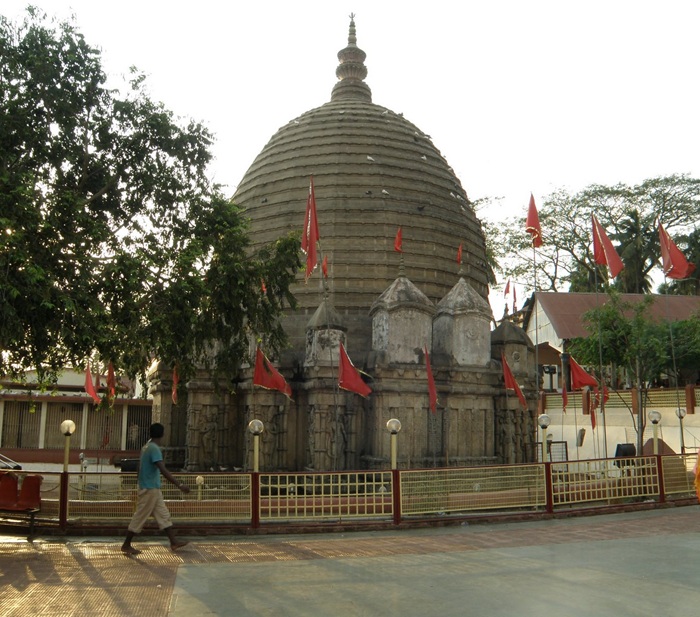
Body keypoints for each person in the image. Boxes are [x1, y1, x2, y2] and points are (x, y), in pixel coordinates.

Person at [121, 422, 190, 555]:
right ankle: (126, 544)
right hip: (149, 488)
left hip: (151, 487)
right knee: (140, 515)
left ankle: (173, 542)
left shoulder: (146, 447)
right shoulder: (154, 449)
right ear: (162, 434)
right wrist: (179, 485)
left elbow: (139, 467)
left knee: (163, 515)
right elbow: (162, 468)